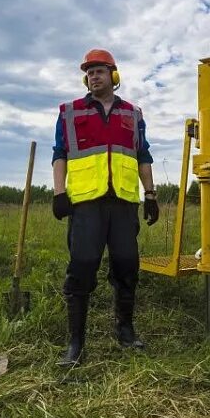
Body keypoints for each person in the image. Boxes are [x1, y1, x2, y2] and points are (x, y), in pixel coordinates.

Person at [51, 48, 159, 366]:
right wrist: (59, 193)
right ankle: (75, 344)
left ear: (114, 75)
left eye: (99, 70)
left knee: (127, 265)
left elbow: (143, 156)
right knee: (82, 266)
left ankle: (125, 332)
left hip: (124, 203)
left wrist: (150, 195)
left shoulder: (133, 114)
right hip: (86, 204)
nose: (93, 76)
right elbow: (60, 153)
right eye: (89, 72)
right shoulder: (70, 112)